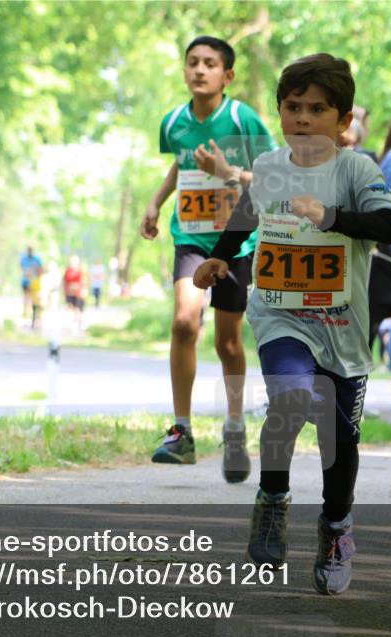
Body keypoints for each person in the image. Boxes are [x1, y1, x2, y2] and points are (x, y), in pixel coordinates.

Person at [194, 53, 391, 594]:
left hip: (341, 329)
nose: (304, 118)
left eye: (318, 109)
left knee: (340, 438)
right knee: (289, 400)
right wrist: (222, 255)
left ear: (343, 120)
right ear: (281, 111)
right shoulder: (269, 166)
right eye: (293, 107)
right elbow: (248, 214)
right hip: (280, 313)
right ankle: (272, 500)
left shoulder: (355, 169)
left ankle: (336, 527)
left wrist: (332, 217)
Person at [140, 36, 276, 481]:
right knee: (183, 321)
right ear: (184, 70)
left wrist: (229, 174)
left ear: (227, 75)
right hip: (191, 237)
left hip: (236, 241)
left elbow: (275, 177)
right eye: (193, 62)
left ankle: (234, 428)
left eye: (210, 63)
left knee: (228, 343)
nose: (200, 70)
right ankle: (181, 433)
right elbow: (182, 163)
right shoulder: (174, 121)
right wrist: (157, 202)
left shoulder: (243, 119)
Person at [63, 255, 87, 331]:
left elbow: (84, 281)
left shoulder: (80, 270)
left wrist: (83, 289)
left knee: (79, 307)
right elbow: (65, 281)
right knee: (72, 307)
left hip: (78, 292)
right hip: (70, 292)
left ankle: (79, 321)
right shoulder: (68, 270)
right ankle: (76, 320)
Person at [19, 246, 43, 320]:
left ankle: (37, 316)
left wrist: (35, 275)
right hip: (25, 282)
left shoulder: (37, 259)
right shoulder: (23, 259)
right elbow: (22, 268)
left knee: (35, 300)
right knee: (26, 298)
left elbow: (40, 270)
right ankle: (26, 314)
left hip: (35, 283)